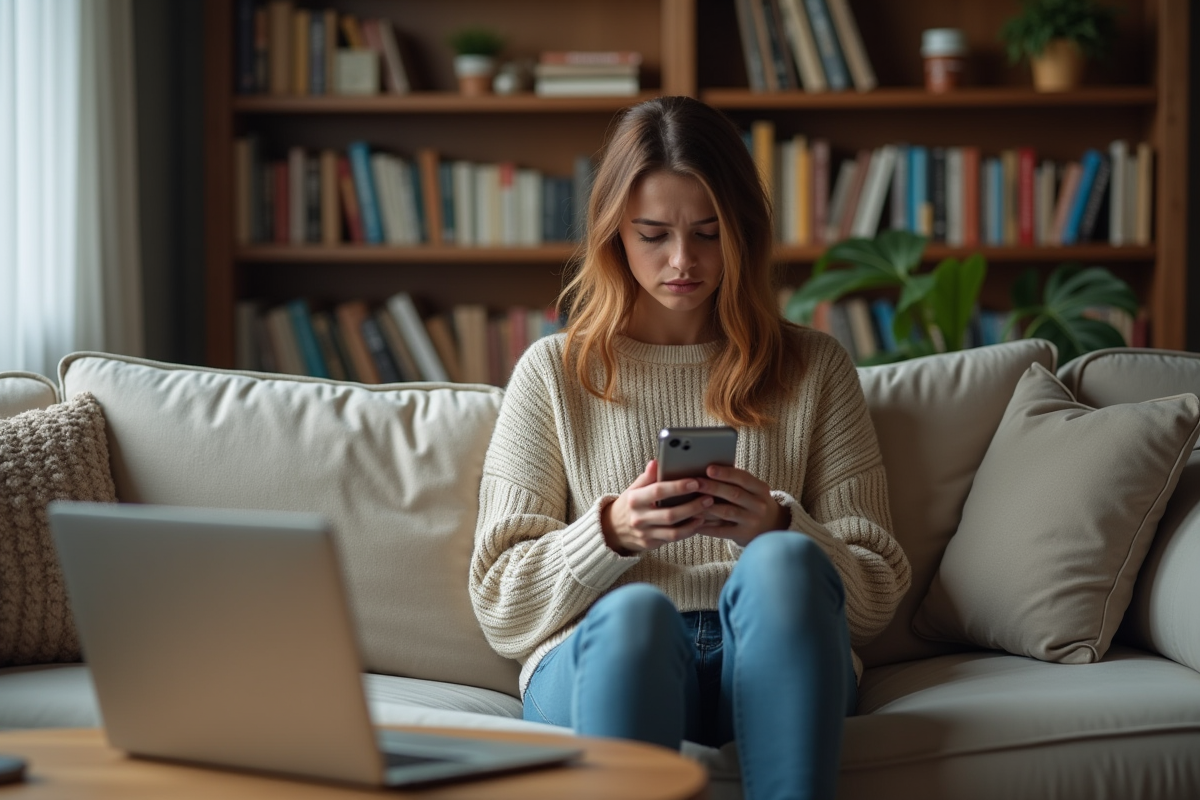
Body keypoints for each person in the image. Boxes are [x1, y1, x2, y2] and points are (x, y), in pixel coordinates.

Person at [469, 96, 910, 800]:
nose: (683, 260)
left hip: (768, 656)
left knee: (783, 563)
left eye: (708, 233)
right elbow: (500, 604)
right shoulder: (553, 373)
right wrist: (610, 533)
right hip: (614, 657)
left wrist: (779, 527)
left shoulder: (816, 368)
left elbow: (876, 595)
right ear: (614, 234)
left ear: (742, 233)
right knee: (636, 618)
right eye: (653, 235)